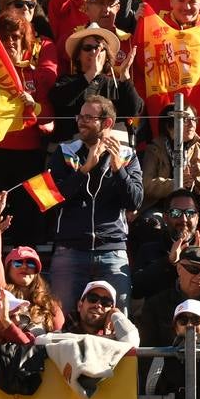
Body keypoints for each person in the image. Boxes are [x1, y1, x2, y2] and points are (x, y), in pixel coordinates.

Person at [47, 95, 144, 312]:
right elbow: (51, 200)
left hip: (112, 252)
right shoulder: (65, 152)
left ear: (107, 123)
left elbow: (134, 201)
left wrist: (119, 169)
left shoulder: (128, 156)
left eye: (88, 117)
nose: (81, 121)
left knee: (118, 324)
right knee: (62, 323)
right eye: (80, 116)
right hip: (70, 251)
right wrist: (84, 170)